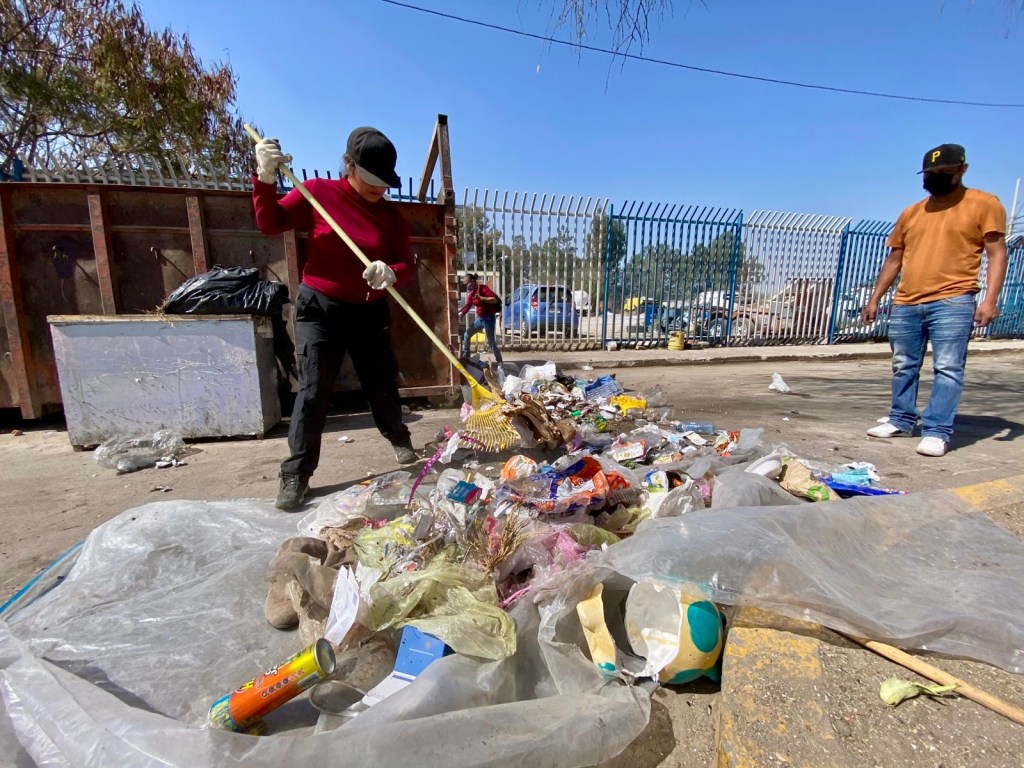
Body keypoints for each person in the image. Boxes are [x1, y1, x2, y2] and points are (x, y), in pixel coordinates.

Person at [252, 127, 418, 511]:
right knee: (312, 391)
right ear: (348, 165)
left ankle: (398, 437)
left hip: (368, 308)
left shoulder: (391, 216)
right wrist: (264, 179)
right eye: (371, 180)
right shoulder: (317, 193)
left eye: (384, 183)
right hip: (320, 308)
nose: (379, 189)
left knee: (380, 383)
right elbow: (270, 222)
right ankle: (295, 474)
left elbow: (405, 264)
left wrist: (392, 271)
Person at [862, 143, 1008, 457]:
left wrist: (990, 300)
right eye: (930, 173)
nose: (935, 177)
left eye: (944, 172)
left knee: (948, 368)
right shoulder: (912, 212)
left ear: (961, 170)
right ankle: (901, 418)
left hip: (953, 300)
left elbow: (997, 253)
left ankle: (937, 430)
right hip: (906, 302)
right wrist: (875, 298)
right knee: (903, 365)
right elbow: (894, 259)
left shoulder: (983, 204)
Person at [459, 273, 503, 364]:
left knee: (491, 342)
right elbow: (467, 306)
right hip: (481, 319)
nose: (466, 286)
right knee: (467, 334)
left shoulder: (483, 288)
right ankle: (466, 356)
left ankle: (500, 361)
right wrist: (461, 313)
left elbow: (494, 299)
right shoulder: (471, 294)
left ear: (472, 281)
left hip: (489, 319)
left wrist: (481, 297)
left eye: (467, 284)